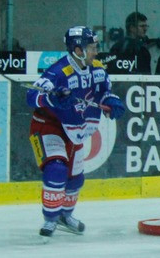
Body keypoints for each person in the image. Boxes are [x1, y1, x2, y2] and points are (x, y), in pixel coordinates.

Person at [26, 27, 126, 239]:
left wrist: (111, 101)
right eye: (91, 48)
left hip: (74, 127)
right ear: (78, 50)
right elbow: (31, 95)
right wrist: (52, 99)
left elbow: (103, 93)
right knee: (56, 169)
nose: (96, 52)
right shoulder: (58, 71)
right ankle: (50, 219)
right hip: (48, 126)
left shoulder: (97, 69)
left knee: (75, 178)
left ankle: (64, 215)